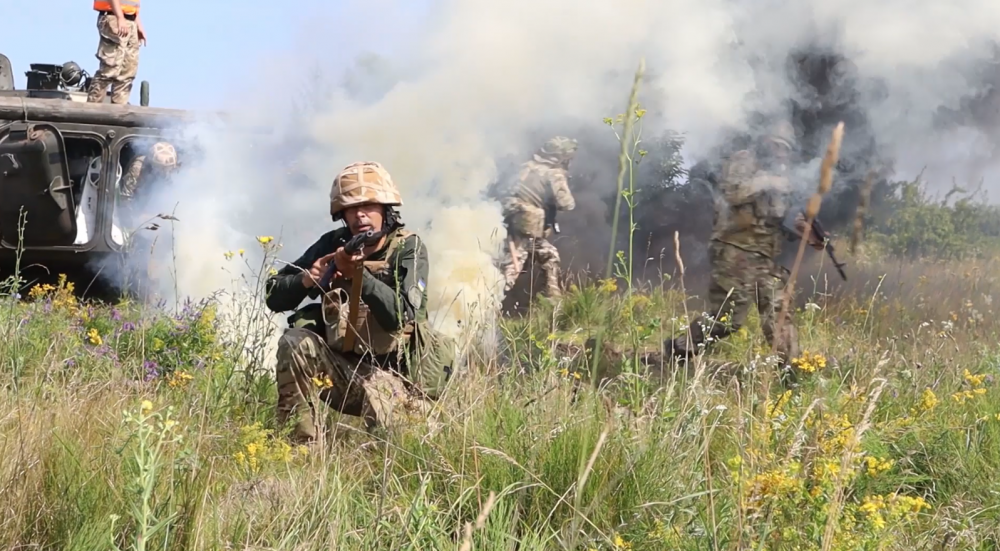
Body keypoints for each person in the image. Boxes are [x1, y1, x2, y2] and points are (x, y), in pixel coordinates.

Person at [265, 161, 453, 444]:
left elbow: (401, 316)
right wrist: (307, 279)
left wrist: (359, 277)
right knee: (294, 342)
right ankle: (300, 450)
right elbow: (273, 296)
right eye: (351, 208)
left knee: (400, 451)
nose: (360, 215)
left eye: (369, 205)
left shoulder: (408, 248)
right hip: (342, 374)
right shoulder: (334, 243)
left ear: (386, 209)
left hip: (395, 380)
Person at [664, 120, 826, 370]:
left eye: (785, 148)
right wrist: (767, 181)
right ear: (765, 142)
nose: (780, 151)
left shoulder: (782, 178)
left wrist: (806, 233)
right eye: (776, 144)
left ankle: (791, 370)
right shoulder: (744, 161)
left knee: (778, 311)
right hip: (734, 250)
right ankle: (679, 347)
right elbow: (732, 193)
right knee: (728, 319)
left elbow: (778, 218)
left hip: (764, 257)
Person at [498, 136, 578, 299]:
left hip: (509, 223)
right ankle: (483, 306)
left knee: (549, 256)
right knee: (512, 270)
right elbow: (567, 204)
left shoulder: (525, 167)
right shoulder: (554, 174)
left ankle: (552, 299)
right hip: (526, 228)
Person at [87, 0, 146, 104]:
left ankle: (119, 112)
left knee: (127, 71)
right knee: (110, 69)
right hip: (113, 17)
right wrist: (120, 17)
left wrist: (137, 23)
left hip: (129, 20)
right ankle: (92, 108)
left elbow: (130, 4)